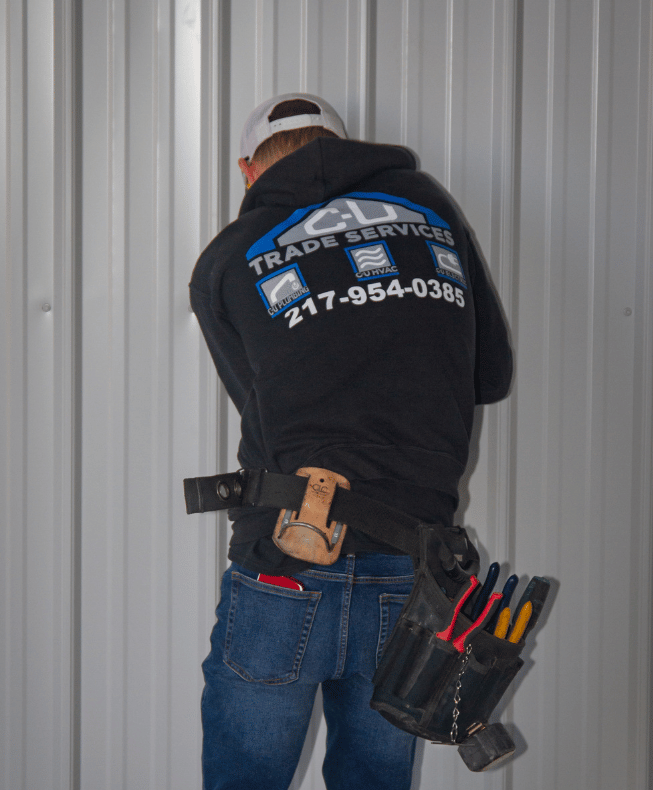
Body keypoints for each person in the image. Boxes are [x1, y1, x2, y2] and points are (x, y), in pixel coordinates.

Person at [189, 93, 513, 790]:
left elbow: (260, 400)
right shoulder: (434, 215)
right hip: (412, 573)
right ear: (347, 148)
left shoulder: (226, 258)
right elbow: (490, 376)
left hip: (288, 556)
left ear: (248, 170)